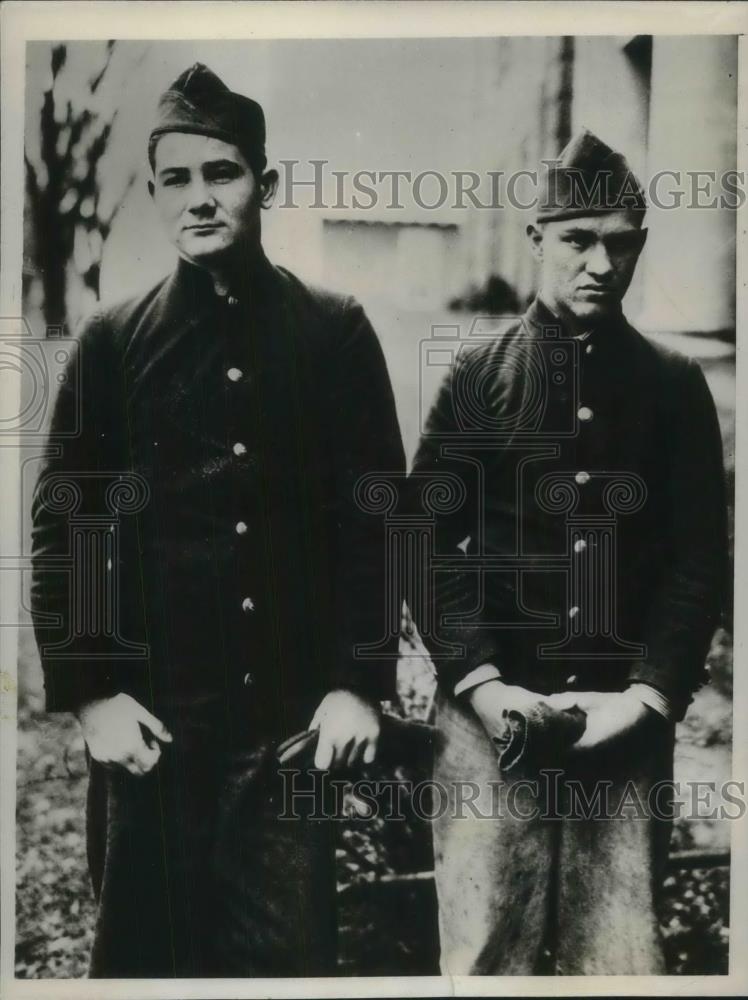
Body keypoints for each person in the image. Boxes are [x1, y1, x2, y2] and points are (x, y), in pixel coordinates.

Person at [30, 63, 405, 977]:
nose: (199, 199)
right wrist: (92, 693)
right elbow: (68, 524)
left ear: (263, 185)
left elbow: (380, 520)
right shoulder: (114, 340)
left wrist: (358, 682)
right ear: (156, 193)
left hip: (287, 734)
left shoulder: (332, 330)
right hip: (155, 735)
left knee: (287, 964)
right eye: (176, 179)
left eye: (222, 174)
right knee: (145, 963)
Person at [409, 129, 728, 974]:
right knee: (486, 958)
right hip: (492, 722)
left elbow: (701, 559)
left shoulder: (673, 385)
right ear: (538, 241)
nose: (599, 263)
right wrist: (479, 685)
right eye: (577, 240)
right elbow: (426, 543)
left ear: (640, 249)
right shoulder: (478, 376)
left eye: (620, 245)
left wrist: (650, 695)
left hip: (622, 724)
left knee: (620, 960)